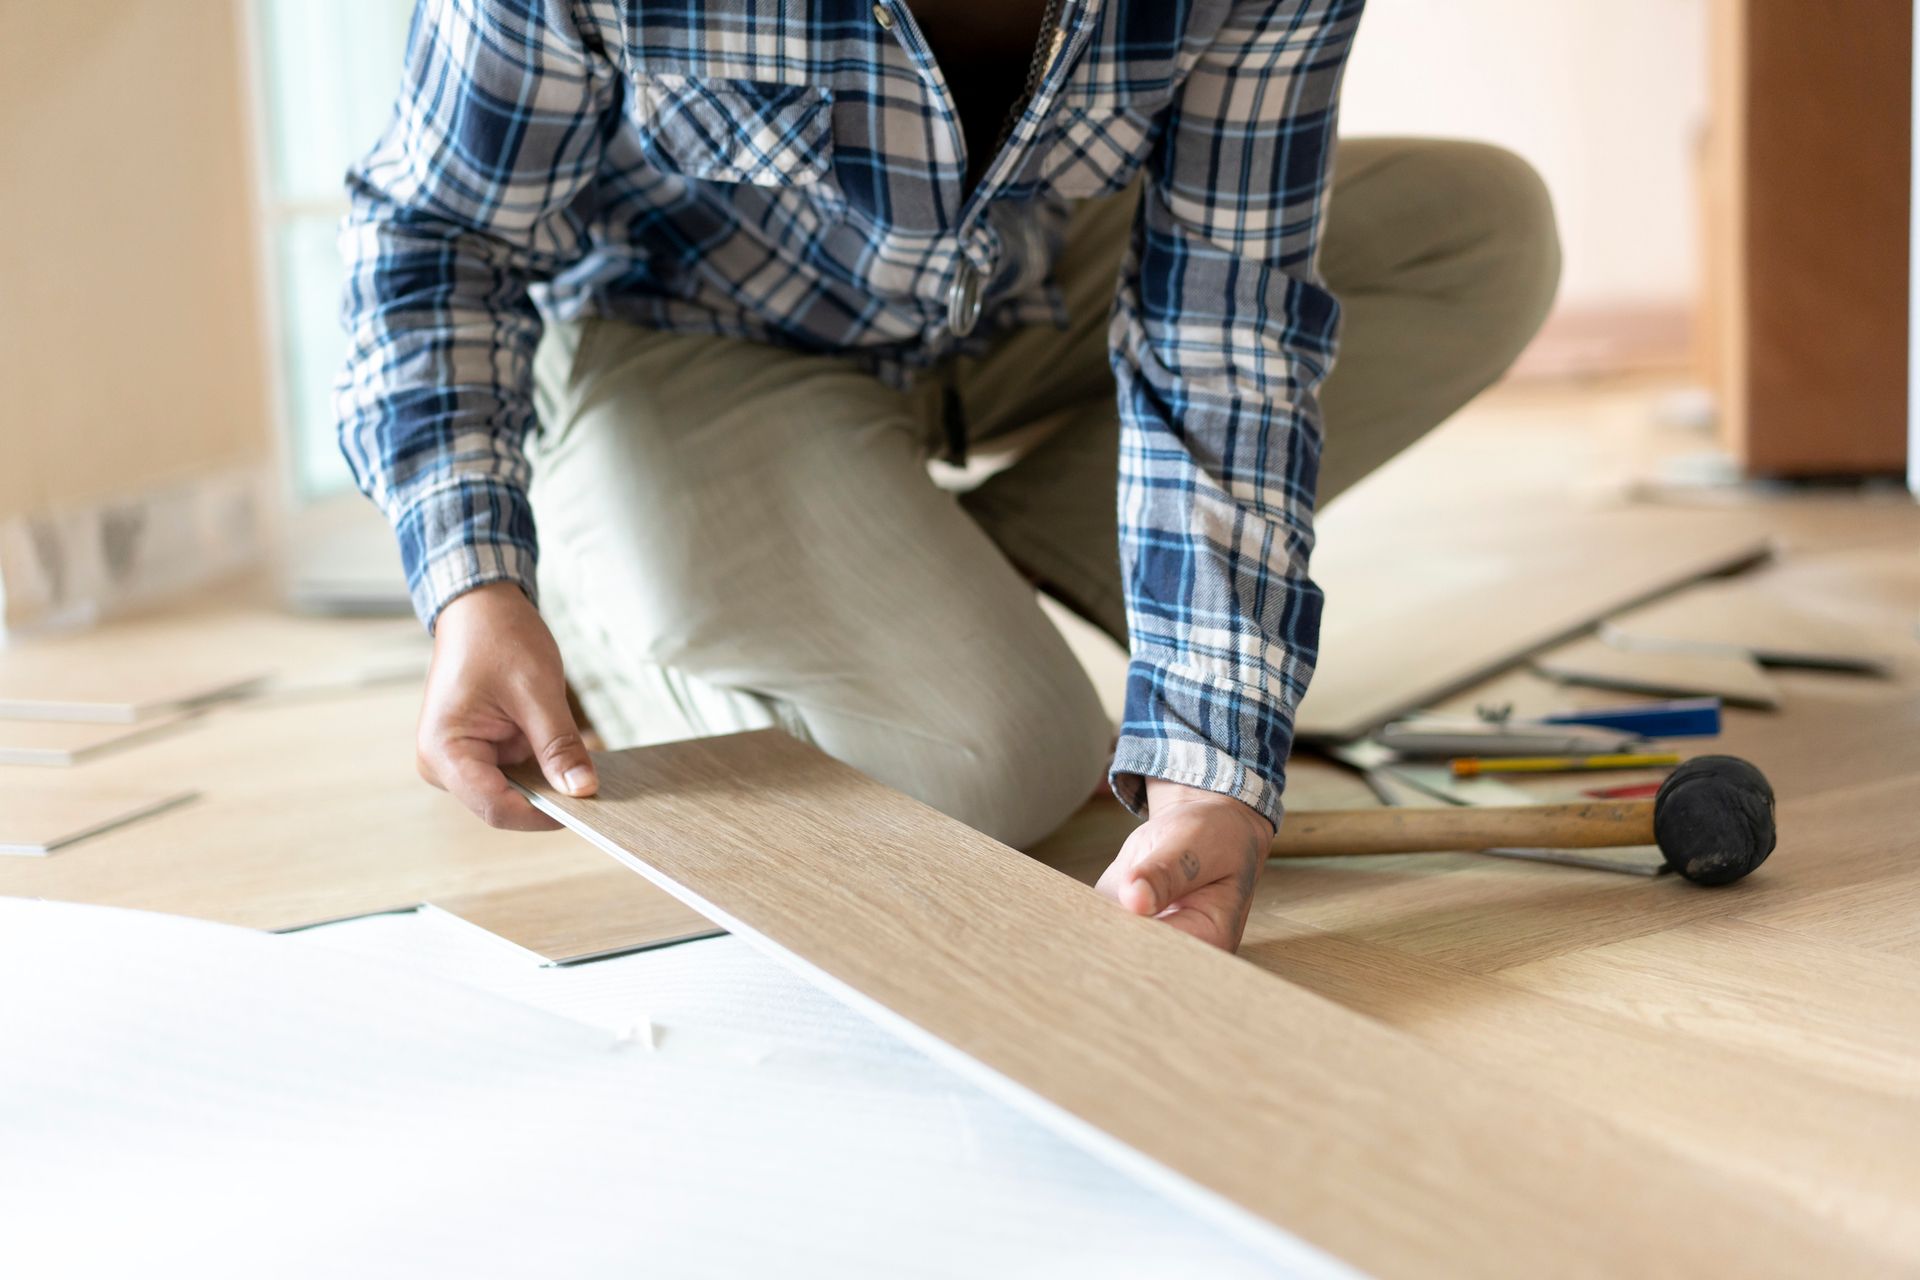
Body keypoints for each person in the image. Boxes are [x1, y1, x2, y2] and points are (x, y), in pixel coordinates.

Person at [337, 0, 1558, 953]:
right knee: (984, 766)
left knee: (1480, 230)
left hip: (1001, 289)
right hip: (679, 328)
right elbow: (440, 240)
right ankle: (600, 591)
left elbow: (1227, 324)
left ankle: (934, 571)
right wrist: (480, 588)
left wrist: (1212, 763)